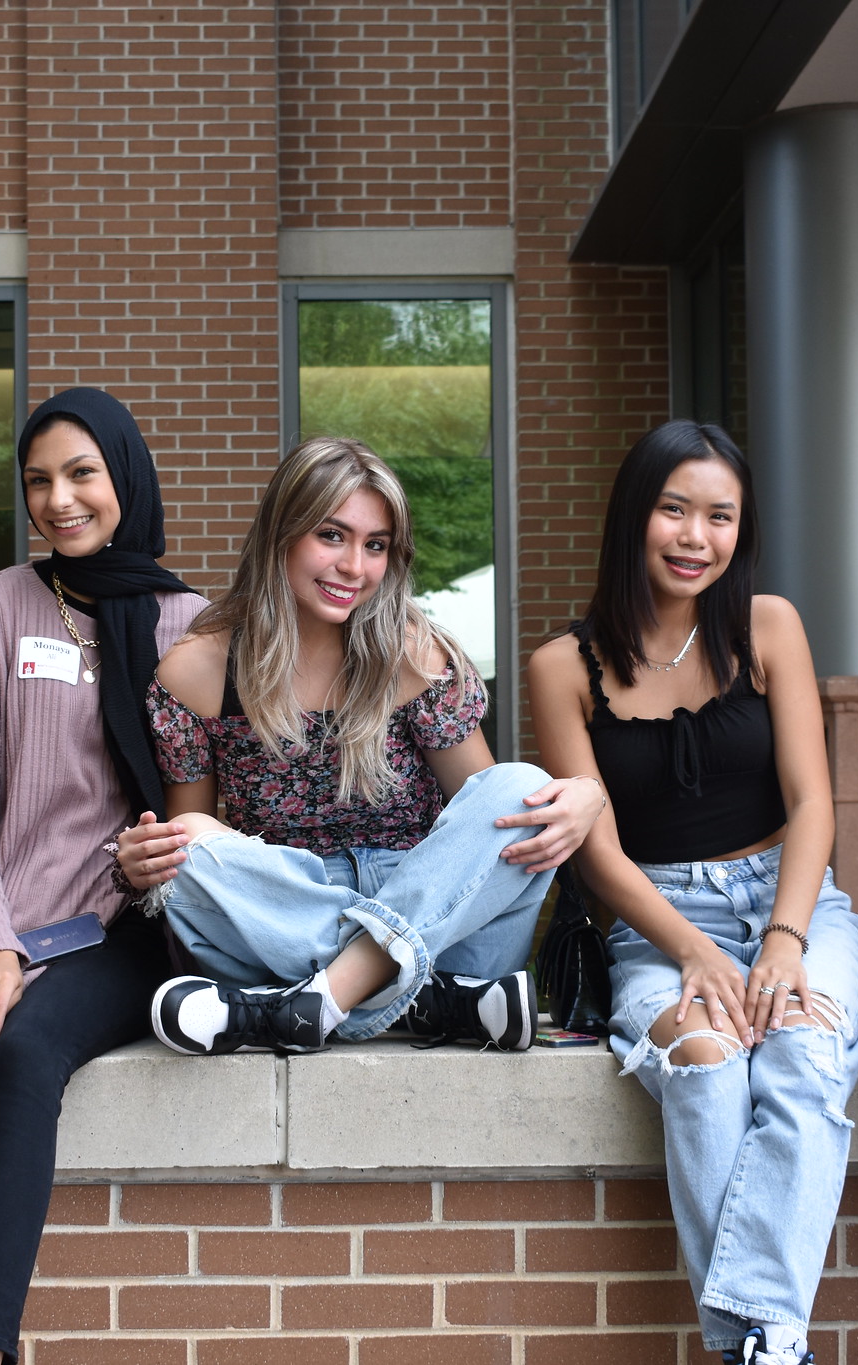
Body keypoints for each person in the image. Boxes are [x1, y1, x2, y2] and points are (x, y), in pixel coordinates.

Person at [529, 420, 858, 1365]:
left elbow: (813, 802)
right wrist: (689, 945)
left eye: (720, 516)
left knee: (802, 1049)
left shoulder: (769, 626)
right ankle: (772, 1343)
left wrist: (787, 938)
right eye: (674, 509)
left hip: (788, 898)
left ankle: (750, 1343)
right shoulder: (564, 667)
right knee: (712, 1061)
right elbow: (595, 851)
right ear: (635, 516)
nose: (695, 536)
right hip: (654, 918)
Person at [0, 388, 205, 1365]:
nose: (57, 500)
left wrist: (166, 856)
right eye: (37, 482)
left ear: (125, 481)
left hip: (113, 932)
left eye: (80, 475)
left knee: (25, 1055)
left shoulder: (188, 625)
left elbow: (207, 808)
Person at [117, 435, 605, 1054]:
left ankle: (310, 1003)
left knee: (520, 788)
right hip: (290, 910)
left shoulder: (412, 653)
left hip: (430, 904)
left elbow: (485, 812)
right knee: (185, 848)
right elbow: (193, 825)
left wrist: (586, 794)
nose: (354, 566)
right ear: (280, 534)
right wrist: (144, 861)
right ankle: (430, 1001)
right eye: (331, 535)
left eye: (375, 546)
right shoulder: (202, 670)